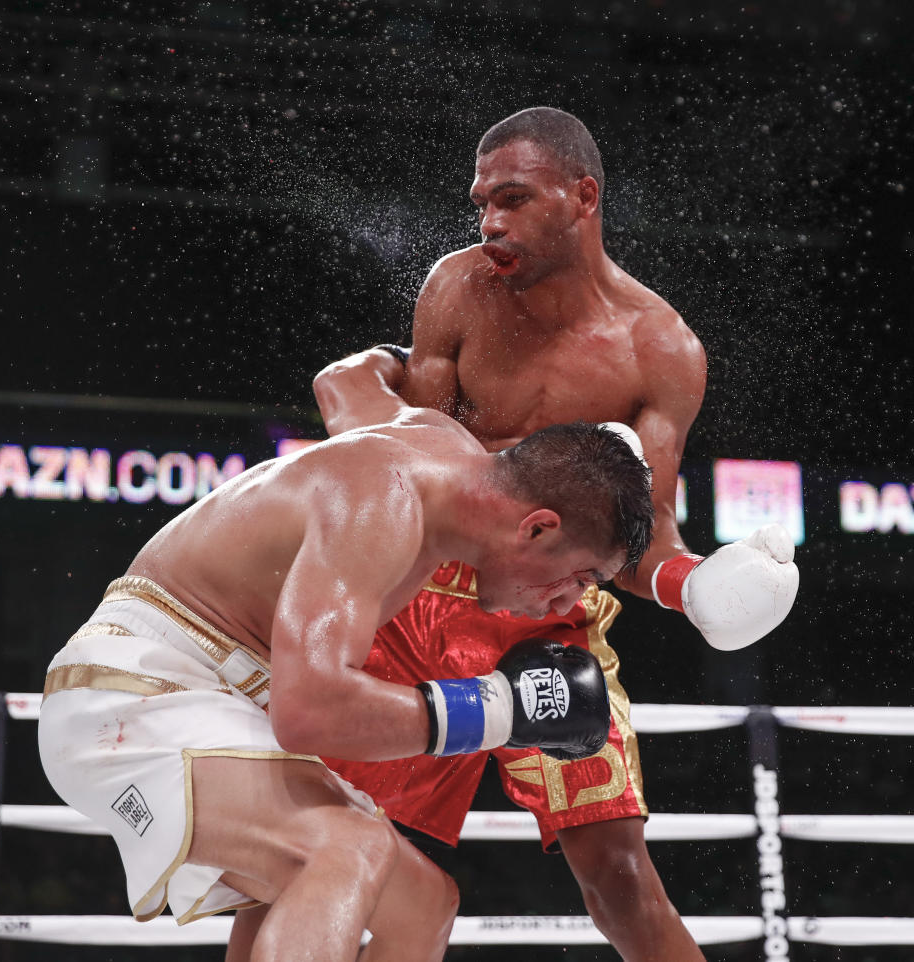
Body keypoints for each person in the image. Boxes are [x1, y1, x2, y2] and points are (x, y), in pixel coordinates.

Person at [314, 107, 799, 961]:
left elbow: (641, 539)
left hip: (546, 617)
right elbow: (409, 465)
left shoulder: (661, 352)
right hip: (416, 597)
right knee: (335, 859)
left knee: (619, 877)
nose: (489, 222)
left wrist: (696, 589)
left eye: (511, 198)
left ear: (582, 196)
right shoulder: (457, 288)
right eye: (479, 204)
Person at [37, 391, 655, 962]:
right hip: (137, 692)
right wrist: (499, 711)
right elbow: (307, 713)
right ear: (538, 527)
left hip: (212, 700)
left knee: (420, 905)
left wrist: (392, 357)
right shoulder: (383, 501)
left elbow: (353, 377)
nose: (564, 605)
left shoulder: (442, 450)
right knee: (342, 848)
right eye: (580, 578)